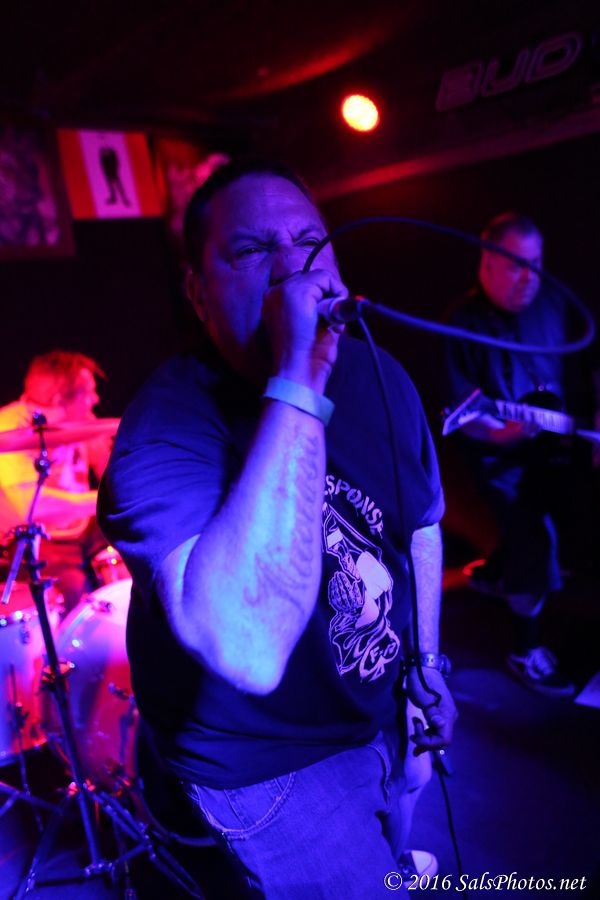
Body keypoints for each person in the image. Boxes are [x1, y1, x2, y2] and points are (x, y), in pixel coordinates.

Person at [98, 160, 456, 898]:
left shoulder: (382, 375)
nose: (294, 271)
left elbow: (420, 526)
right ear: (197, 292)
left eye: (311, 244)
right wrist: (298, 373)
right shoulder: (162, 428)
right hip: (269, 766)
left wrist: (426, 664)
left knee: (397, 842)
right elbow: (249, 647)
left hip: (378, 706)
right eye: (252, 250)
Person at [444, 211, 597, 698]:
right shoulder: (463, 325)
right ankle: (525, 650)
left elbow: (588, 366)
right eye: (516, 265)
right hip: (500, 458)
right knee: (534, 532)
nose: (529, 277)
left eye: (536, 263)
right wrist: (503, 436)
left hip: (560, 446)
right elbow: (464, 414)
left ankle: (498, 572)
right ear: (487, 263)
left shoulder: (555, 303)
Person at [0, 350, 112, 610]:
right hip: (39, 541)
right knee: (75, 600)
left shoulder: (83, 422)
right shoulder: (9, 426)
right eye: (88, 392)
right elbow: (30, 506)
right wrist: (102, 500)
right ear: (59, 399)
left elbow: (110, 472)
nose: (96, 399)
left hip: (83, 531)